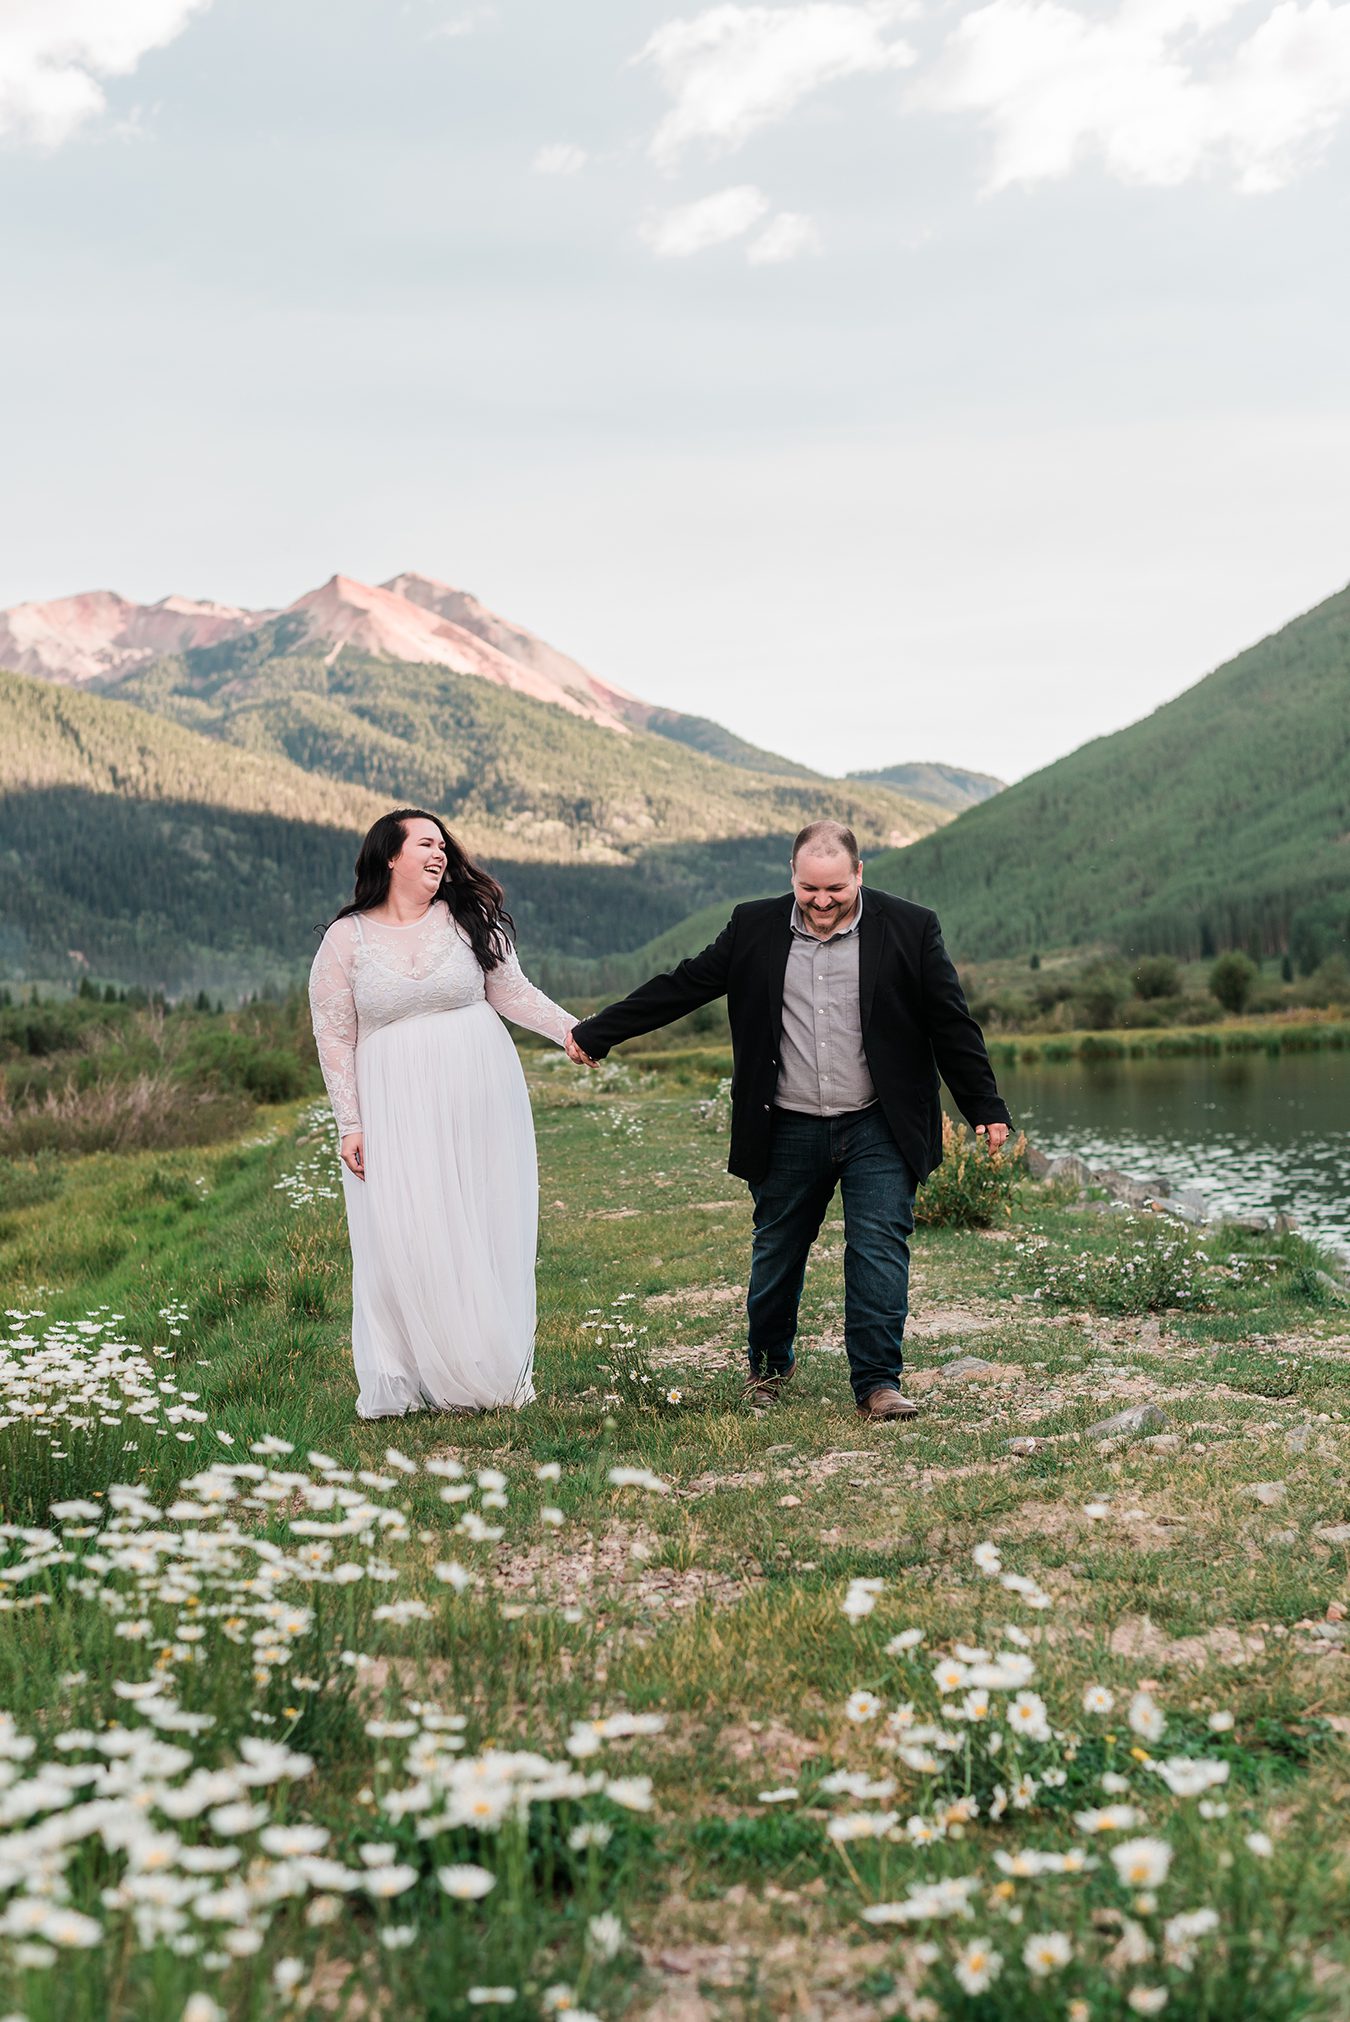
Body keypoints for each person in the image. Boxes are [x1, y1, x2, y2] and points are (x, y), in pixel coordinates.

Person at [567, 820, 1011, 1421]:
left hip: (879, 1121)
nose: (822, 902)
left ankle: (878, 1384)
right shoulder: (753, 927)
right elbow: (684, 986)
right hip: (786, 1123)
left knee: (878, 1247)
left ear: (859, 875)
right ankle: (770, 1368)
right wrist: (598, 1031)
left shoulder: (910, 926)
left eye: (836, 889)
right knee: (778, 1250)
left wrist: (983, 1106)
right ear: (792, 879)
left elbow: (951, 1022)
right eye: (809, 890)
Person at [308, 808, 579, 1417]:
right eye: (425, 843)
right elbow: (333, 1036)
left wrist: (571, 1031)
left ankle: (481, 1370)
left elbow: (511, 992)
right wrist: (349, 1123)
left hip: (478, 1087)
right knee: (404, 1231)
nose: (441, 853)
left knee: (474, 1219)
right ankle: (402, 1374)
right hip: (393, 1102)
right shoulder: (344, 940)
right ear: (390, 857)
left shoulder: (467, 920)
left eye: (443, 845)